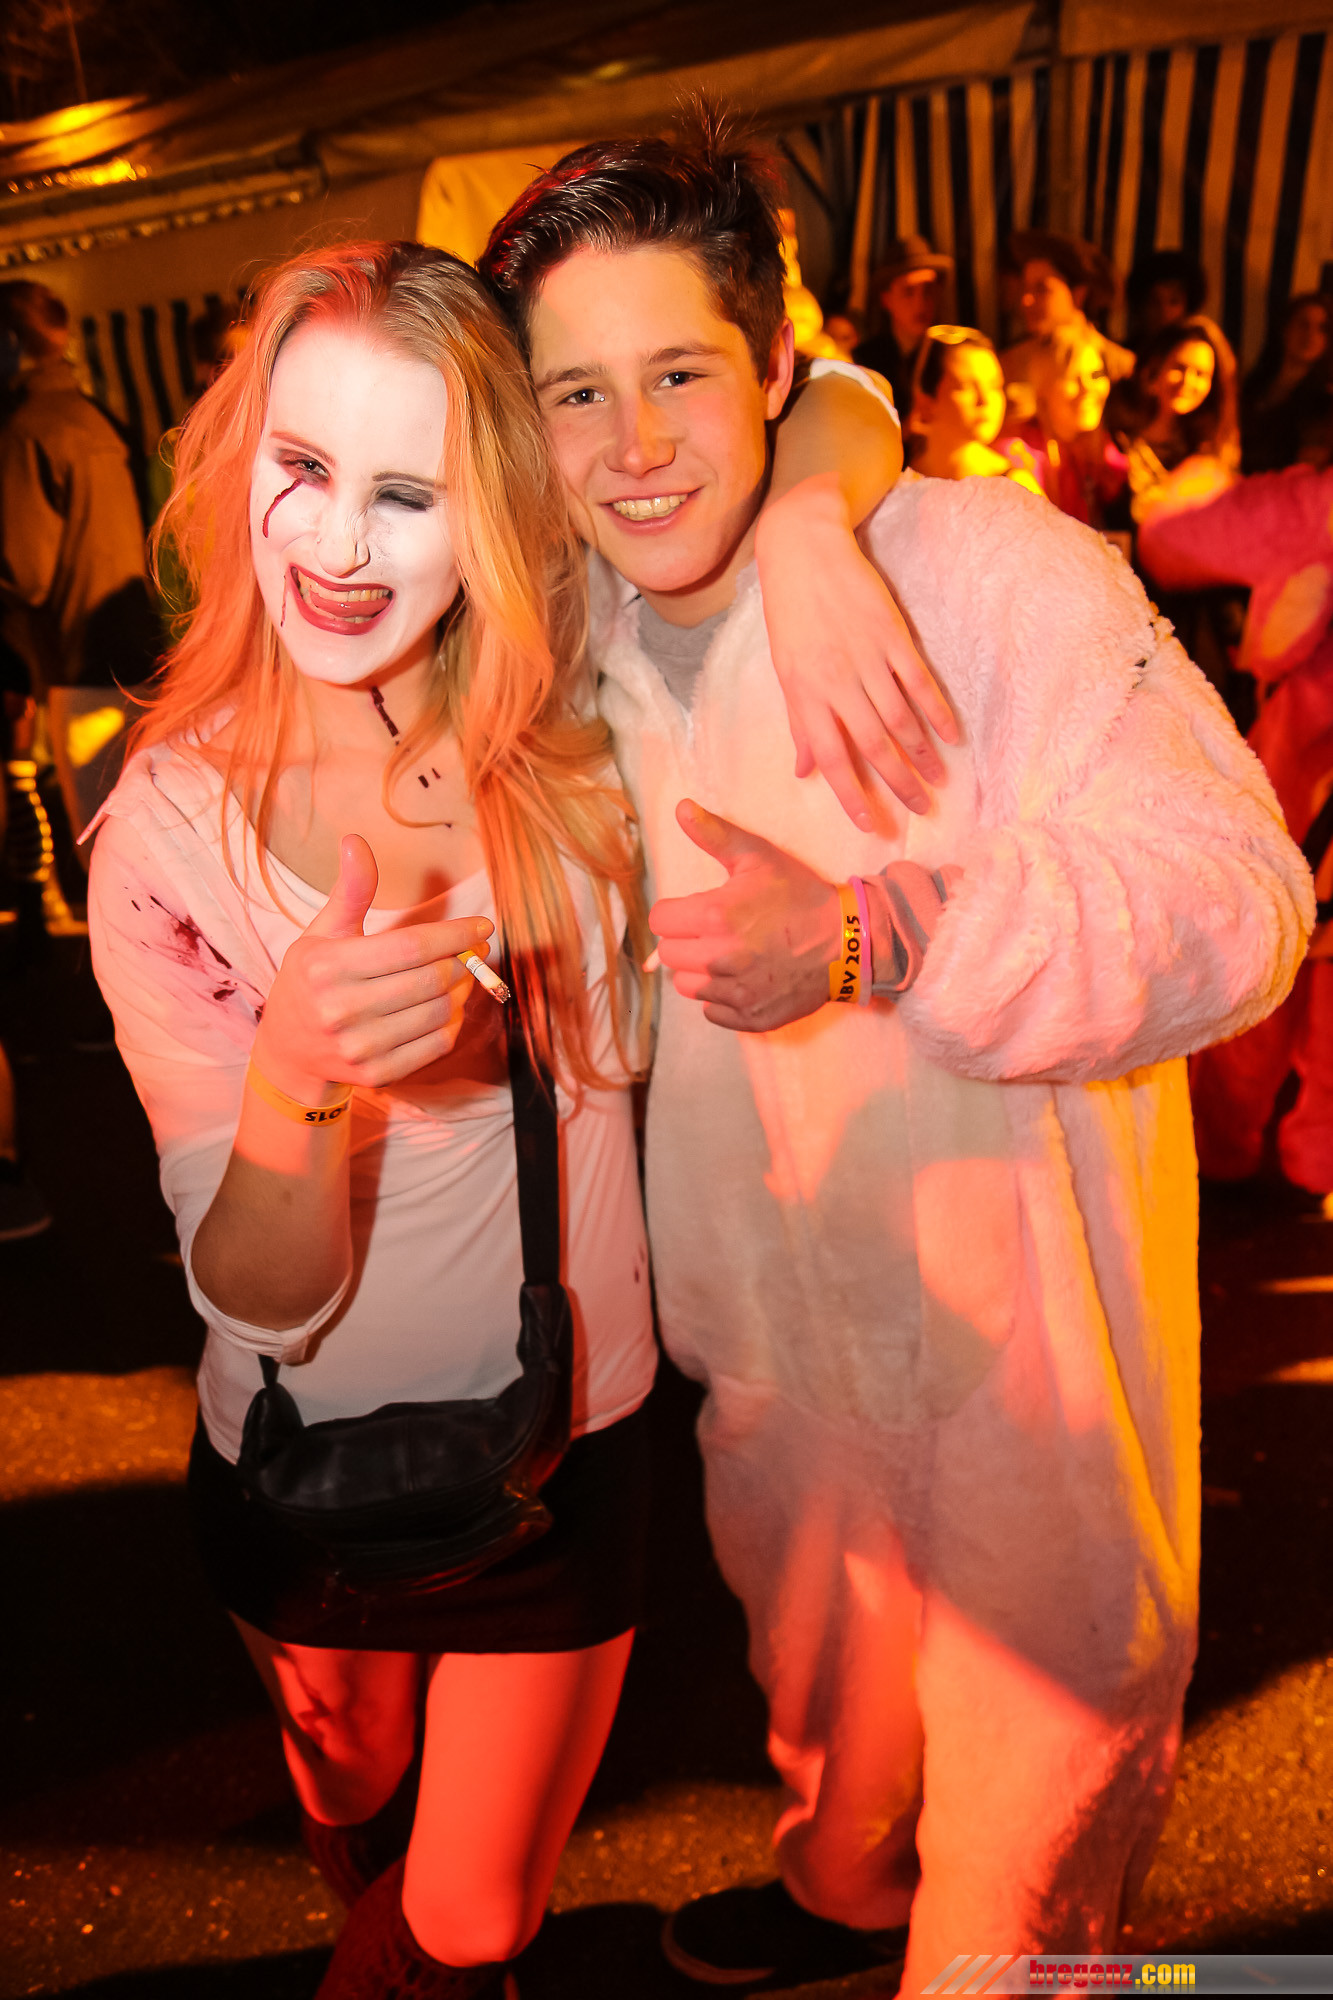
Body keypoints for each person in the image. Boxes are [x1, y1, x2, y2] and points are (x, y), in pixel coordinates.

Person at [481, 120, 1312, 1993]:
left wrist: (881, 934)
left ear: (778, 362)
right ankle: (839, 1887)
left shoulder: (980, 574)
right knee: (824, 1707)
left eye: (679, 373)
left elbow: (1239, 895)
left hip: (1027, 1376)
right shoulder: (564, 649)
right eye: (576, 393)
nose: (632, 445)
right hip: (769, 1351)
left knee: (1022, 1865)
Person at [84, 231, 925, 1998]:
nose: (335, 545)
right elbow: (253, 1289)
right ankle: (361, 1888)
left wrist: (804, 529)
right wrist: (299, 1082)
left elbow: (830, 396)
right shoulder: (165, 829)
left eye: (409, 492)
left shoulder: (575, 702)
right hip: (297, 1450)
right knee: (351, 1786)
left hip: (568, 1435)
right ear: (238, 462)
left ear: (495, 510)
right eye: (302, 466)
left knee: (475, 1921)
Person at [1138, 436, 1333, 1196]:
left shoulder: (1311, 505)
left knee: (1265, 954)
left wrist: (1190, 490)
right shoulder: (1310, 505)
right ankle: (1301, 1159)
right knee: (1274, 955)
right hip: (1302, 775)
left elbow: (1171, 541)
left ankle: (1231, 1151)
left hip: (1302, 772)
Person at [0, 281, 159, 848]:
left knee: (104, 851)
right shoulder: (99, 419)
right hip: (141, 662)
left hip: (80, 669)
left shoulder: (26, 431)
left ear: (10, 342)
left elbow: (27, 575)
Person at [1013, 320, 1127, 526]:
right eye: (1072, 378)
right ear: (1043, 388)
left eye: (1096, 375)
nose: (1088, 388)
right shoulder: (1021, 456)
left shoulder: (1107, 446)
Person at [906, 325, 1044, 495]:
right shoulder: (896, 482)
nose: (985, 400)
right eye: (965, 387)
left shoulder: (1013, 488)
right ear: (926, 403)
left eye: (994, 386)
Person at [1000, 229, 1134, 401]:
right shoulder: (1009, 364)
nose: (1026, 300)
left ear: (1078, 294)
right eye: (1026, 289)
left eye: (1042, 289)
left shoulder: (1118, 367)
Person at [854, 236, 954, 424]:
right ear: (886, 299)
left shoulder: (951, 359)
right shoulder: (865, 362)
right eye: (909, 292)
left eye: (928, 290)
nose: (920, 303)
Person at [1241, 292, 1332, 475]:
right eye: (1303, 324)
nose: (1310, 335)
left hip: (1285, 487)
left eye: (1321, 329)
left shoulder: (1325, 401)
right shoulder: (1254, 384)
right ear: (1285, 329)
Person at [1126, 247, 1207, 346]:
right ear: (1141, 306)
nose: (1164, 311)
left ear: (1187, 306)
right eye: (1154, 302)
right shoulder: (1124, 353)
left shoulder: (1198, 350)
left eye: (1174, 302)